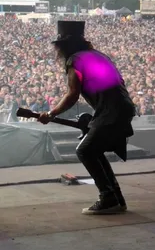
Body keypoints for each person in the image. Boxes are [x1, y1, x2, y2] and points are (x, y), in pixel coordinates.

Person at [38, 20, 136, 215]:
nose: (57, 52)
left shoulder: (75, 60)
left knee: (85, 150)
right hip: (121, 108)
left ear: (65, 45)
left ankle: (109, 198)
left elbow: (72, 94)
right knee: (94, 150)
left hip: (112, 111)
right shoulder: (97, 55)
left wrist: (51, 113)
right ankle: (116, 198)